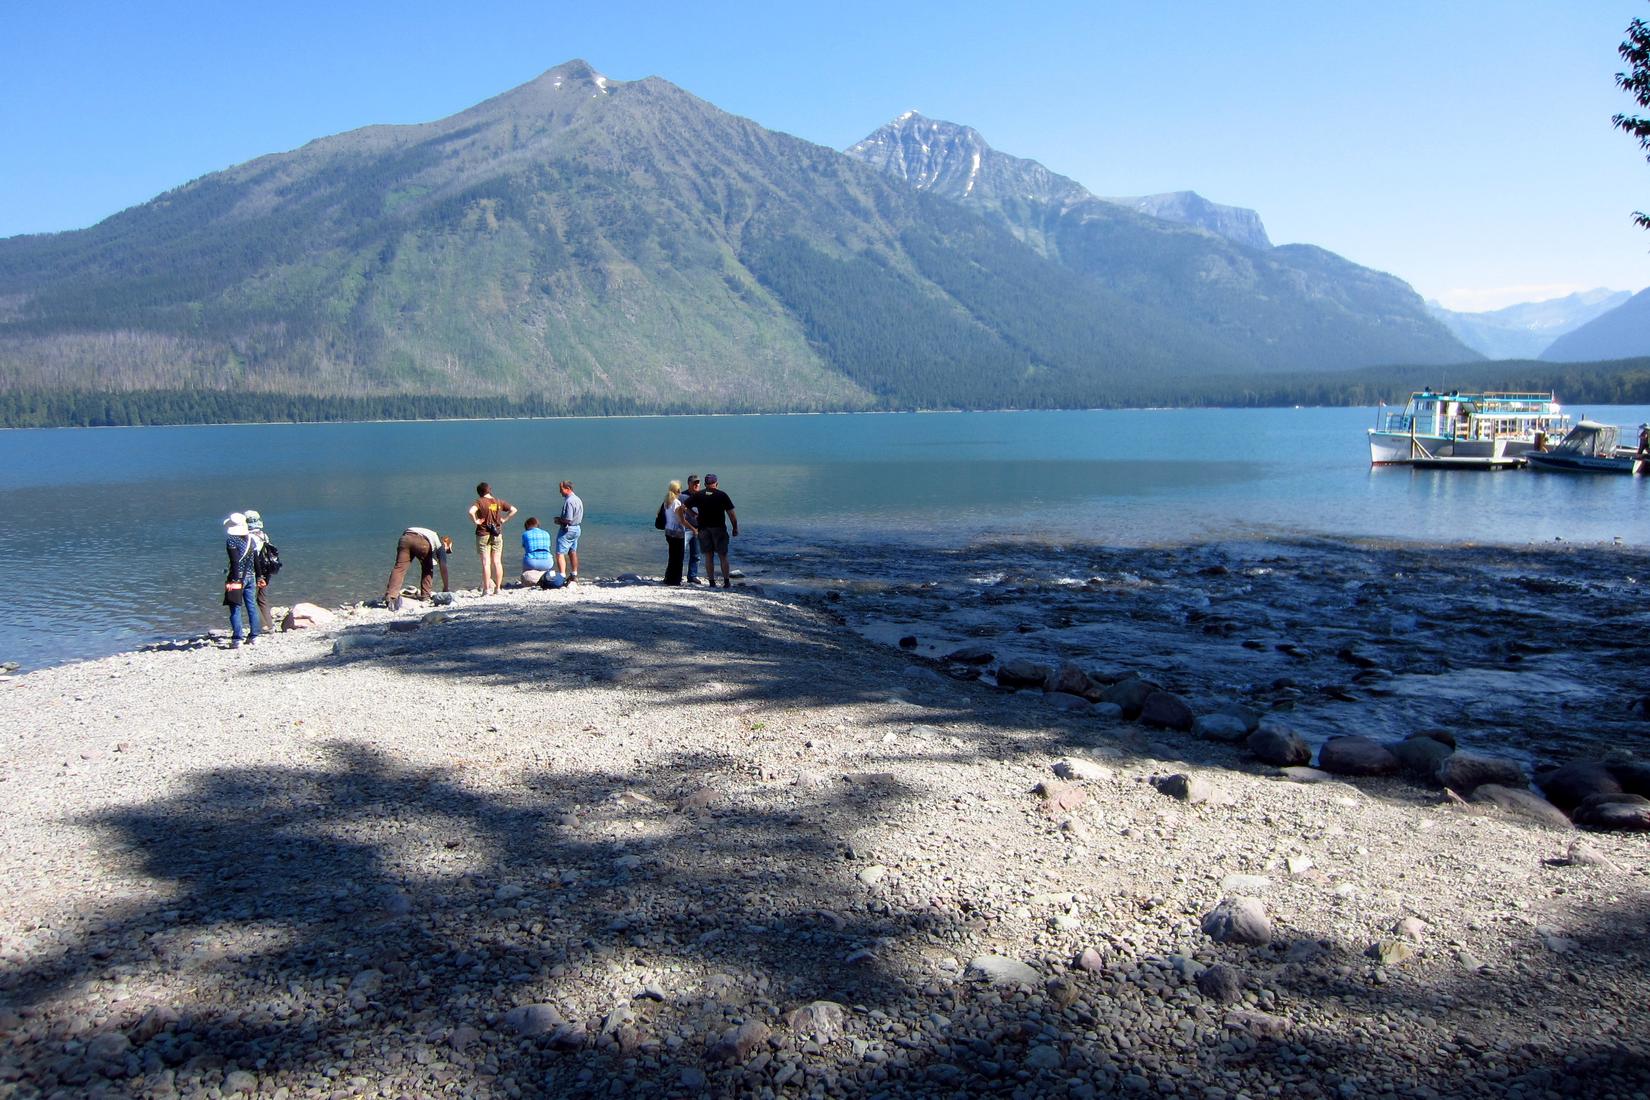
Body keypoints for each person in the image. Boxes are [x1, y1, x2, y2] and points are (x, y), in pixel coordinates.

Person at [686, 473, 738, 588]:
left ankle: (712, 582)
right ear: (717, 484)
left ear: (705, 484)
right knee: (723, 556)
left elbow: (684, 506)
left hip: (703, 529)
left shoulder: (699, 495)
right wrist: (735, 527)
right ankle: (726, 582)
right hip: (719, 529)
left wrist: (693, 514)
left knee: (708, 556)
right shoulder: (722, 495)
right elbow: (731, 514)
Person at [385, 526, 452, 610]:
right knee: (427, 568)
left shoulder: (431, 535)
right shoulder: (441, 545)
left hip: (405, 538)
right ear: (446, 543)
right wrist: (446, 587)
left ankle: (391, 596)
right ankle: (425, 596)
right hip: (422, 541)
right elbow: (443, 567)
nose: (446, 552)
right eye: (448, 550)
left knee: (399, 568)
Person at [468, 482, 518, 596]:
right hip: (497, 534)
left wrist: (476, 521)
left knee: (486, 563)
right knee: (497, 562)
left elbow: (471, 512)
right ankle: (498, 589)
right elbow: (514, 509)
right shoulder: (498, 502)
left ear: (480, 492)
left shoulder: (479, 502)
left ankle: (486, 590)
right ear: (489, 490)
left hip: (483, 534)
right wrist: (505, 519)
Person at [222, 513, 260, 647]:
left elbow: (234, 561)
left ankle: (237, 638)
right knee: (252, 606)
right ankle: (254, 636)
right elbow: (256, 561)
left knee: (235, 608)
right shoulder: (251, 539)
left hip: (236, 578)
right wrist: (259, 576)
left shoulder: (231, 540)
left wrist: (235, 578)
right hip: (251, 577)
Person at [660, 480, 696, 586]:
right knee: (679, 558)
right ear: (679, 490)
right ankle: (676, 580)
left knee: (672, 556)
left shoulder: (667, 501)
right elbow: (682, 521)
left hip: (668, 531)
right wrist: (693, 529)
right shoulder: (677, 503)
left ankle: (668, 578)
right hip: (677, 533)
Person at [245, 509, 274, 630]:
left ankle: (262, 625)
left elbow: (252, 557)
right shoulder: (263, 535)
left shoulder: (249, 537)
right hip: (267, 569)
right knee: (262, 598)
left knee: (251, 598)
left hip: (256, 571)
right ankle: (269, 625)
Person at [553, 480, 584, 583]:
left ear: (568, 489)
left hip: (568, 529)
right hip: (577, 528)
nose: (560, 492)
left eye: (561, 489)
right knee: (572, 551)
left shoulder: (569, 501)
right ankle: (574, 574)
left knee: (559, 553)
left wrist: (558, 520)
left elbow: (568, 519)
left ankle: (562, 576)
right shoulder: (578, 499)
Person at [681, 474, 704, 584]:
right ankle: (678, 574)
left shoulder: (702, 496)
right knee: (680, 553)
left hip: (698, 529)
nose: (696, 485)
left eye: (698, 483)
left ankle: (692, 576)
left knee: (696, 555)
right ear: (689, 484)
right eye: (694, 483)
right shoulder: (682, 496)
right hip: (684, 529)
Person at [520, 516, 554, 586]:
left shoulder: (525, 534)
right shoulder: (546, 533)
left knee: (526, 557)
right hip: (548, 562)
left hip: (532, 562)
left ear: (527, 526)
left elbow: (525, 547)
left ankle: (527, 581)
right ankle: (545, 578)